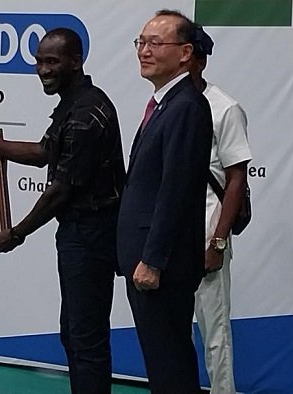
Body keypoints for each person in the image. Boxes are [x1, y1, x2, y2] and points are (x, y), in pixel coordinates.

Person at [0, 28, 125, 394]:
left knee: (85, 340)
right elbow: (43, 154)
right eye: (40, 61)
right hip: (80, 235)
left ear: (76, 62)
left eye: (52, 61)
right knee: (74, 334)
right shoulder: (76, 104)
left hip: (91, 236)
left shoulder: (87, 114)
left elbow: (60, 191)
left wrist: (15, 232)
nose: (43, 69)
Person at [116, 10, 213, 394]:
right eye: (141, 42)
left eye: (156, 44)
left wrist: (153, 260)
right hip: (143, 258)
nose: (144, 51)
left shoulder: (187, 106)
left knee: (169, 364)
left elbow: (177, 190)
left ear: (186, 52)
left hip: (162, 266)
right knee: (161, 363)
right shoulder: (164, 104)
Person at [190, 25, 252, 394]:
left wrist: (217, 243)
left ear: (195, 58)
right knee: (169, 332)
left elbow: (236, 181)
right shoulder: (161, 104)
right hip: (168, 236)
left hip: (206, 233)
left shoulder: (224, 108)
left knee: (214, 332)